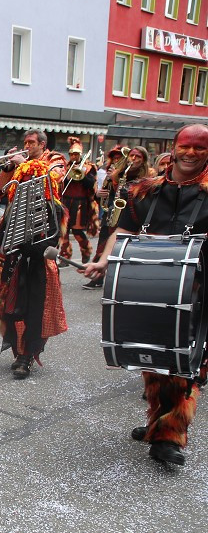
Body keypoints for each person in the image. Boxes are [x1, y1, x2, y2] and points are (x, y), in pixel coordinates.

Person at [83, 123, 208, 467]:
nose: (192, 153)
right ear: (175, 146)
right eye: (186, 146)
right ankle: (158, 423)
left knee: (184, 367)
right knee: (153, 360)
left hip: (196, 291)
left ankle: (169, 439)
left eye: (200, 147)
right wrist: (105, 261)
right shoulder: (146, 191)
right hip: (148, 286)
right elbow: (123, 230)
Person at [0, 129, 68, 379]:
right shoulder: (14, 205)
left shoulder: (53, 202)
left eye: (31, 143)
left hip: (38, 265)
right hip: (14, 261)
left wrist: (29, 246)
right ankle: (18, 351)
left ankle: (26, 355)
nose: (28, 183)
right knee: (11, 308)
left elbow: (52, 241)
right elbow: (0, 195)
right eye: (24, 179)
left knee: (34, 309)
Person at [58, 136, 99, 265]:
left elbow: (91, 184)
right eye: (71, 154)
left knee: (77, 231)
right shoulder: (65, 166)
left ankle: (86, 250)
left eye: (76, 154)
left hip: (80, 203)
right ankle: (65, 256)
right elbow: (60, 183)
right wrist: (66, 175)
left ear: (80, 154)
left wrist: (82, 175)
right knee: (63, 231)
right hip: (65, 201)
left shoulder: (89, 167)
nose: (74, 156)